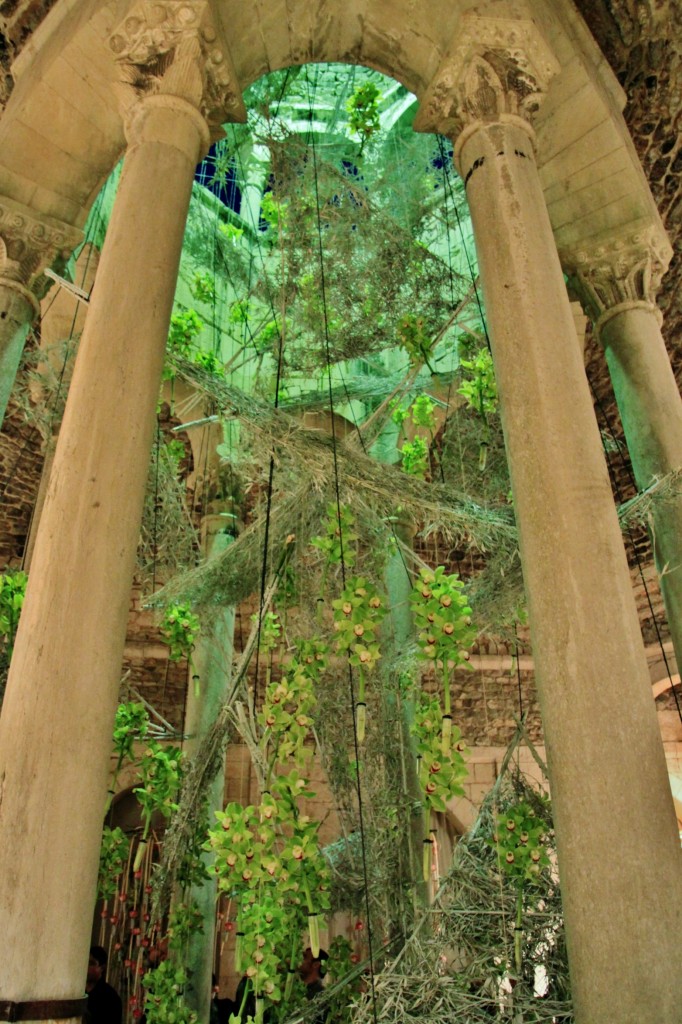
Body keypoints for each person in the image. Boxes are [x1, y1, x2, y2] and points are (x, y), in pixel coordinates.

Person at [86, 946, 123, 1024]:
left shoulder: (111, 998)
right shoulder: (78, 992)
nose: (86, 967)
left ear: (102, 968)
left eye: (91, 963)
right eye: (85, 962)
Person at [299, 948, 329, 1022]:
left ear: (316, 965)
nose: (299, 960)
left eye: (304, 957)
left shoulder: (321, 998)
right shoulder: (298, 989)